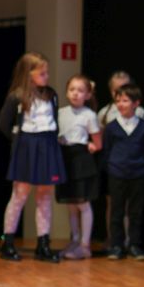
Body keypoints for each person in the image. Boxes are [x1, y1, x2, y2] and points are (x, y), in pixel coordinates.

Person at [0, 52, 65, 263]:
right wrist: (19, 142)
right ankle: (7, 242)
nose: (46, 76)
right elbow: (3, 123)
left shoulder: (51, 95)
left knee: (45, 196)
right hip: (27, 146)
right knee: (20, 194)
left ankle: (43, 244)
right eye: (41, 72)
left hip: (48, 145)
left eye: (47, 72)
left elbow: (54, 120)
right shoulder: (17, 96)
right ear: (28, 73)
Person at [101, 84, 144, 260]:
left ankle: (134, 244)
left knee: (135, 212)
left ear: (136, 103)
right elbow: (107, 150)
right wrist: (113, 167)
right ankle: (117, 245)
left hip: (138, 174)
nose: (120, 104)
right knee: (116, 211)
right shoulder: (111, 127)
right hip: (117, 174)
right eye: (118, 101)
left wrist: (141, 167)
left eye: (125, 100)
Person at [56, 75, 102, 260]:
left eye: (80, 90)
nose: (75, 93)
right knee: (71, 204)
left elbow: (98, 143)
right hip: (65, 158)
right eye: (72, 89)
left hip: (81, 159)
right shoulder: (60, 112)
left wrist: (92, 146)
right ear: (67, 92)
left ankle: (85, 244)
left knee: (83, 202)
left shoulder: (89, 115)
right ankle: (74, 240)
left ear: (88, 95)